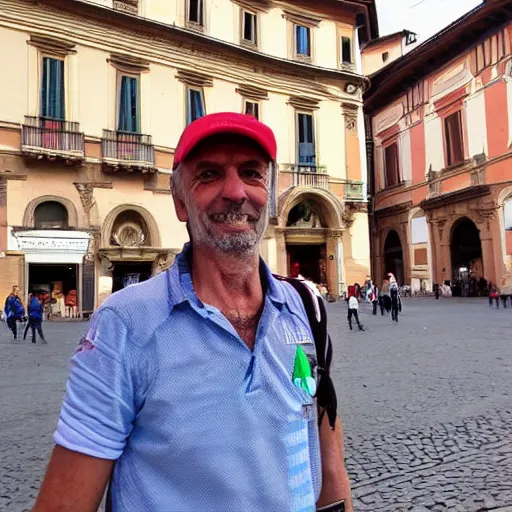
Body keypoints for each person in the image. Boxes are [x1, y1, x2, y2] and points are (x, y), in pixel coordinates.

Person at [34, 113, 353, 512]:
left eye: (252, 173)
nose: (235, 191)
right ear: (180, 201)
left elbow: (327, 458)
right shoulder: (124, 324)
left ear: (269, 197)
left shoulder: (306, 307)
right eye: (209, 174)